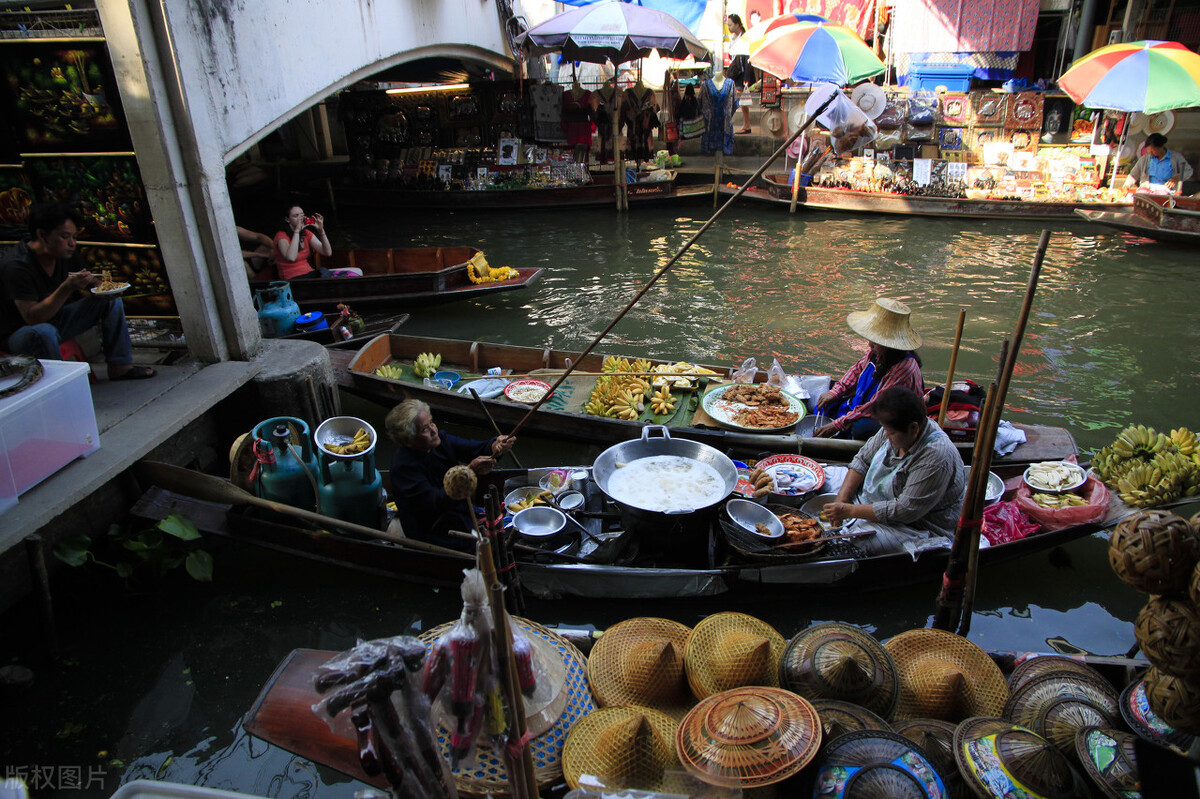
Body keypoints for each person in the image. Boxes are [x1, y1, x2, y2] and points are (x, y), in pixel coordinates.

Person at [0, 202, 155, 380]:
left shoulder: (65, 252)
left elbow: (91, 283)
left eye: (74, 236)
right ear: (42, 235)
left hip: (56, 320)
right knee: (44, 331)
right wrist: (67, 287)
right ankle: (62, 382)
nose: (72, 243)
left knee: (110, 302)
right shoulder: (16, 266)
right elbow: (32, 318)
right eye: (65, 237)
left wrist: (104, 288)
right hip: (21, 333)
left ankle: (120, 366)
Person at [821, 386, 966, 556]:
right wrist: (843, 499)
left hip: (913, 526)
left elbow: (904, 510)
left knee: (853, 542)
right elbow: (863, 460)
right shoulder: (894, 427)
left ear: (913, 429)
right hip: (873, 500)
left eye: (891, 432)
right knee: (825, 478)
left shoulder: (936, 456)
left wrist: (848, 511)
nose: (886, 435)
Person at [385, 399, 515, 550]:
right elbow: (435, 503)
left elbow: (473, 449)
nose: (434, 430)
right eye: (425, 429)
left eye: (432, 423)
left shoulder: (440, 441)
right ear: (407, 440)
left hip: (458, 511)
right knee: (486, 552)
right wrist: (469, 473)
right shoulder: (403, 469)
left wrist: (495, 446)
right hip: (434, 529)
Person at [815, 297, 924, 439]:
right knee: (826, 403)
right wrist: (836, 391)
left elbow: (877, 405)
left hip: (890, 415)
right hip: (869, 403)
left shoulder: (904, 369)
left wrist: (837, 424)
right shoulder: (878, 353)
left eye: (875, 341)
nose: (869, 345)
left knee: (862, 429)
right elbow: (857, 370)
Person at [274, 204, 334, 280]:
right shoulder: (281, 236)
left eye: (302, 215)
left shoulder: (306, 233)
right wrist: (297, 231)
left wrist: (321, 230)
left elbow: (327, 252)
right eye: (296, 216)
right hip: (292, 278)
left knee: (326, 272)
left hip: (308, 274)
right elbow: (291, 258)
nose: (300, 219)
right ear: (287, 219)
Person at [1123, 133, 1193, 194]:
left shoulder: (1175, 157)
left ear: (1161, 147)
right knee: (1141, 194)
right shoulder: (1145, 158)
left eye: (1153, 150)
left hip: (1166, 190)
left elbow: (1188, 171)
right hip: (1147, 189)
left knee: (1162, 197)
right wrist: (1126, 186)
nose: (1150, 153)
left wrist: (1176, 178)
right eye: (1148, 150)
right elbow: (1134, 174)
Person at [726, 14, 755, 134]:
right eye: (728, 25)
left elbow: (748, 58)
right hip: (736, 72)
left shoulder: (745, 38)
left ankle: (746, 124)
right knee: (739, 98)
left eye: (731, 25)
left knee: (742, 99)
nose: (729, 27)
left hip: (743, 73)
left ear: (738, 25)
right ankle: (745, 124)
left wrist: (747, 77)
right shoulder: (733, 38)